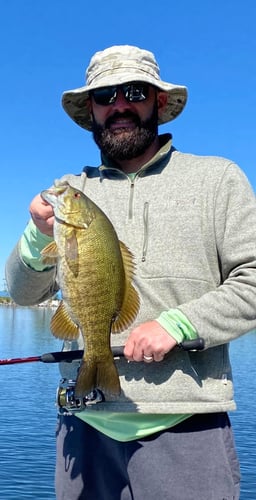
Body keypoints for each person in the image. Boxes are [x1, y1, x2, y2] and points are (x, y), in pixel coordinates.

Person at [5, 45, 256, 500]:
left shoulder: (218, 179)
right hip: (83, 428)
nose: (119, 105)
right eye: (105, 94)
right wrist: (39, 238)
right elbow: (23, 294)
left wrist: (180, 324)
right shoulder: (69, 192)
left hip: (187, 427)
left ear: (159, 102)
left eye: (134, 92)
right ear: (92, 110)